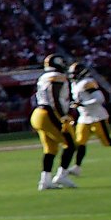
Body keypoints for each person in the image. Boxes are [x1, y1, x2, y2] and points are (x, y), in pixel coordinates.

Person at [67, 61, 111, 171]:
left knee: (107, 141)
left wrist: (83, 104)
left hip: (97, 116)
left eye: (75, 72)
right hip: (84, 117)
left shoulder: (88, 82)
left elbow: (100, 99)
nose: (72, 75)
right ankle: (77, 167)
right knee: (80, 142)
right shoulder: (74, 84)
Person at [27, 55, 80, 191]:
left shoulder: (44, 76)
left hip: (38, 113)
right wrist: (63, 116)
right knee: (71, 144)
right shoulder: (57, 76)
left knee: (50, 149)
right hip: (49, 113)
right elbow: (54, 97)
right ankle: (61, 175)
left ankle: (45, 181)